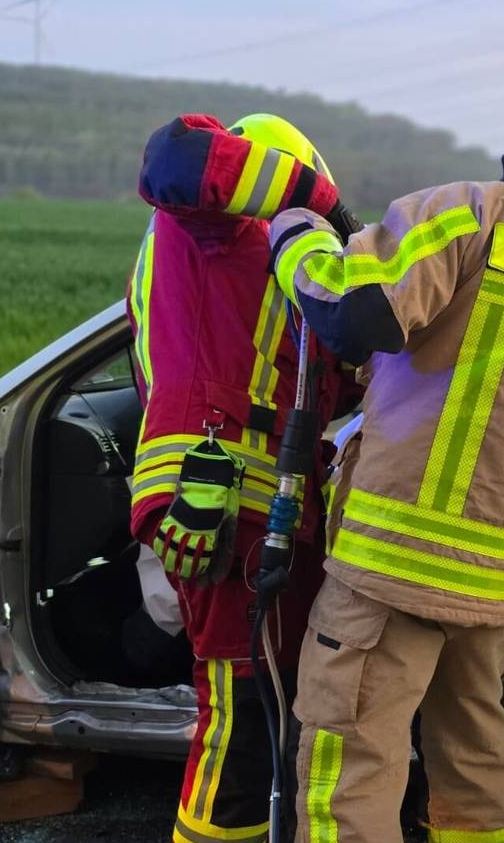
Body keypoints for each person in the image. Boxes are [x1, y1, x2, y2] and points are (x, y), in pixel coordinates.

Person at [268, 63, 504, 843]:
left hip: (399, 560)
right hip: (503, 577)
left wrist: (294, 237)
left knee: (349, 774)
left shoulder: (474, 212)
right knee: (474, 763)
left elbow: (354, 311)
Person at [128, 112, 363, 843]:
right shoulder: (210, 224)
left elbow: (324, 389)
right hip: (217, 498)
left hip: (274, 509)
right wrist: (324, 204)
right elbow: (173, 156)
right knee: (238, 714)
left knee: (271, 706)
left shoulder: (271, 266)